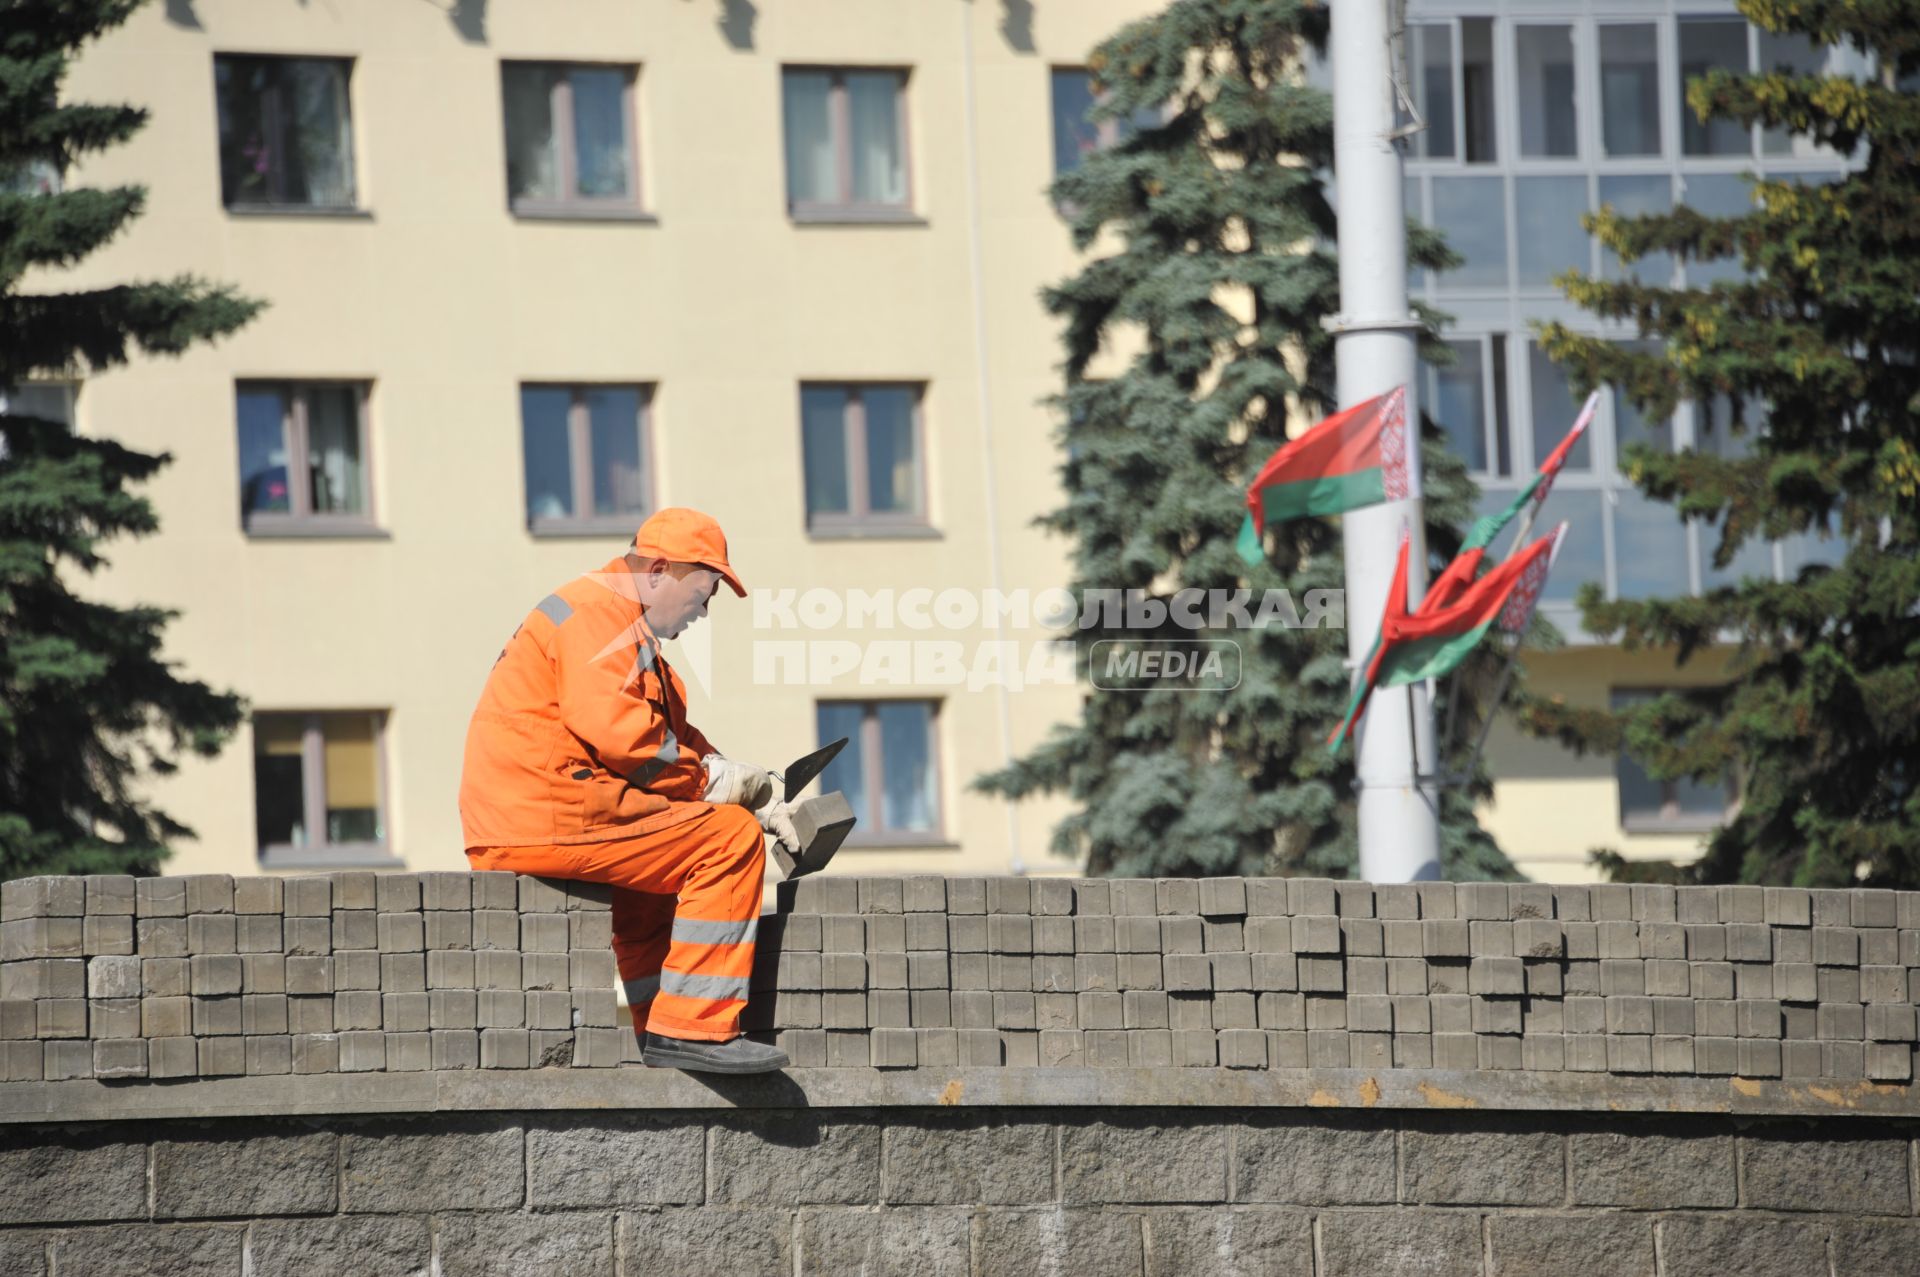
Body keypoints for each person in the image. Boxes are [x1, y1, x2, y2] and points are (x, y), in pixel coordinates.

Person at [459, 507, 797, 1073]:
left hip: (543, 808)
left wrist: (753, 788)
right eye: (705, 591)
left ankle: (659, 1031)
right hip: (547, 810)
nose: (704, 610)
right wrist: (719, 788)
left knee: (667, 865)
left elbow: (673, 736)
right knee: (726, 840)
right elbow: (624, 736)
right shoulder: (597, 615)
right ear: (660, 570)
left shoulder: (621, 629)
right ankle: (694, 1029)